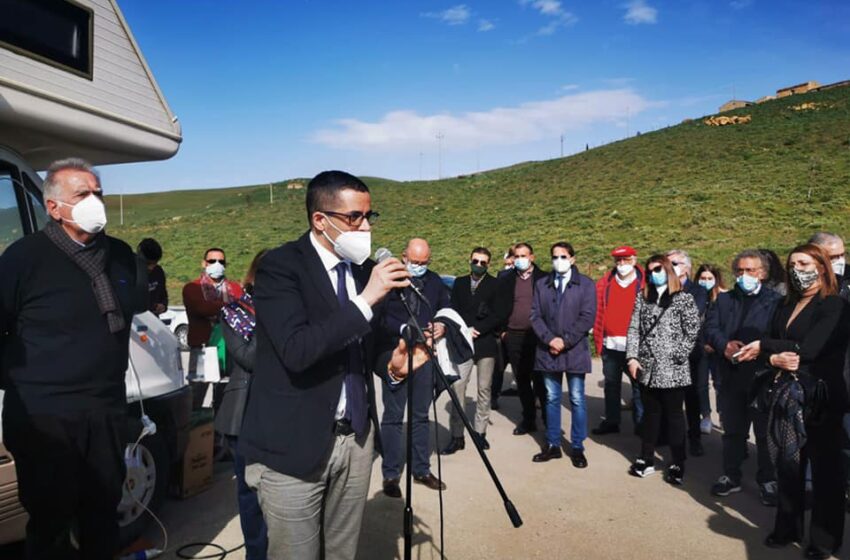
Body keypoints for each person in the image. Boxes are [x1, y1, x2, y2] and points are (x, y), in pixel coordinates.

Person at [238, 170, 423, 560]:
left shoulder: (362, 270)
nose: (364, 227)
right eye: (353, 217)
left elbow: (368, 345)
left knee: (341, 553)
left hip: (354, 440)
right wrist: (366, 299)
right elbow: (297, 349)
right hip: (293, 445)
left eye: (368, 216)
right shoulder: (281, 267)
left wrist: (394, 363)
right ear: (320, 220)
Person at [0, 158, 145, 559]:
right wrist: (23, 380)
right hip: (45, 416)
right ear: (54, 207)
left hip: (106, 410)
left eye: (98, 193)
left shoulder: (117, 254)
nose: (95, 201)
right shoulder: (23, 259)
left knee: (102, 512)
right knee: (51, 521)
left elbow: (132, 306)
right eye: (83, 194)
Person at [737, 244, 849, 558]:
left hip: (820, 396)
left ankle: (824, 540)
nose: (797, 269)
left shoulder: (834, 305)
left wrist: (763, 345)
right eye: (793, 264)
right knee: (788, 465)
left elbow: (810, 349)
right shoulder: (785, 305)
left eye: (804, 262)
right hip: (785, 394)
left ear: (822, 266)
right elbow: (784, 351)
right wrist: (773, 356)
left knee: (826, 471)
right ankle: (787, 527)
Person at [703, 250, 781, 506]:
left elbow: (779, 334)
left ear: (763, 273)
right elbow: (711, 328)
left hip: (762, 377)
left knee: (764, 432)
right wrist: (724, 345)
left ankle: (767, 479)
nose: (745, 276)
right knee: (733, 431)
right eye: (740, 271)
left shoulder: (775, 301)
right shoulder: (724, 300)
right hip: (730, 375)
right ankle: (731, 475)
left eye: (751, 271)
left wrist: (761, 348)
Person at [378, 238, 450, 497]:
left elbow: (445, 306)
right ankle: (391, 474)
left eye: (424, 262)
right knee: (393, 416)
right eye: (414, 261)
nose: (419, 266)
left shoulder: (434, 281)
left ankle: (421, 469)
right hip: (397, 353)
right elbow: (380, 316)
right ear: (403, 256)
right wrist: (402, 330)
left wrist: (442, 323)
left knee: (420, 415)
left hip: (424, 354)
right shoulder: (391, 280)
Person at [626, 254, 700, 484]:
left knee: (675, 416)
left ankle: (678, 461)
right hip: (647, 367)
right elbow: (633, 328)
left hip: (673, 368)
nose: (653, 274)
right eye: (649, 271)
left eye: (658, 269)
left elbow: (692, 330)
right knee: (650, 415)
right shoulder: (643, 297)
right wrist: (632, 358)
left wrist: (677, 354)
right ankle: (646, 457)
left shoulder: (683, 299)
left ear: (668, 270)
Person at [214, 249, 269, 560]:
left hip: (282, 414)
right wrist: (270, 316)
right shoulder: (235, 312)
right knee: (250, 495)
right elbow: (248, 358)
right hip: (245, 415)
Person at [529, 242, 596, 468]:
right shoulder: (542, 285)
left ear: (573, 259)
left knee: (577, 399)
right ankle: (553, 444)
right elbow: (535, 315)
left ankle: (577, 446)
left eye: (563, 256)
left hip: (575, 350)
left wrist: (564, 341)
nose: (559, 260)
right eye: (555, 257)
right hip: (548, 351)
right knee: (552, 398)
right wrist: (550, 339)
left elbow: (587, 317)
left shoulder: (585, 284)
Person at [443, 246, 507, 454]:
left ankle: (480, 433)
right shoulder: (460, 283)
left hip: (485, 343)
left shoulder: (496, 284)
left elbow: (499, 313)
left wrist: (479, 329)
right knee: (458, 387)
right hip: (463, 343)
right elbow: (453, 309)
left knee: (484, 389)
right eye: (475, 261)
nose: (478, 265)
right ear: (469, 260)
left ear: (489, 264)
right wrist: (463, 330)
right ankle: (457, 435)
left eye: (483, 262)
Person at [592, 245, 645, 436]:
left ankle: (641, 424)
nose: (622, 264)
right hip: (610, 344)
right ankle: (612, 420)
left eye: (626, 260)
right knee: (611, 385)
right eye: (619, 261)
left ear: (634, 260)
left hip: (636, 346)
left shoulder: (644, 283)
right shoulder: (605, 283)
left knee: (639, 387)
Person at [182, 247, 243, 408]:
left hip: (230, 348)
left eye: (221, 261)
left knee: (228, 393)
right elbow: (203, 308)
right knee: (197, 394)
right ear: (204, 263)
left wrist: (226, 306)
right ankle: (195, 427)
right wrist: (230, 305)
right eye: (212, 261)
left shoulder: (235, 288)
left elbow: (243, 307)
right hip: (203, 348)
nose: (217, 264)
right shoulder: (192, 288)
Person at [499, 242, 548, 435]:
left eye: (523, 256)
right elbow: (500, 305)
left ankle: (547, 420)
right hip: (514, 335)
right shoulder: (506, 278)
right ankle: (529, 419)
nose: (520, 260)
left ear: (532, 257)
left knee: (541, 380)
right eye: (516, 256)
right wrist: (502, 331)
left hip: (537, 336)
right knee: (521, 379)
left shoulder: (544, 278)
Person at [667, 249, 709, 456]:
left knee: (691, 399)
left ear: (686, 268)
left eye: (673, 263)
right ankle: (670, 436)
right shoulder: (660, 289)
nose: (669, 267)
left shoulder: (698, 291)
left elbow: (692, 314)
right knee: (668, 397)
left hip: (690, 353)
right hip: (665, 352)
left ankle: (694, 438)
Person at [492, 244, 517, 409]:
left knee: (526, 369)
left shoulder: (530, 278)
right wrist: (501, 330)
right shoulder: (502, 277)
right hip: (504, 331)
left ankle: (534, 398)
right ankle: (493, 396)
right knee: (498, 367)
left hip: (521, 331)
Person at [809, 232, 849, 299]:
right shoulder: (804, 282)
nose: (840, 261)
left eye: (842, 255)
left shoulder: (847, 276)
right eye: (832, 257)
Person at [138, 237, 168, 315]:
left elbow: (163, 295)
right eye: (147, 263)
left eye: (155, 263)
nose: (151, 268)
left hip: (153, 319)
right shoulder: (129, 273)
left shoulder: (158, 272)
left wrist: (163, 306)